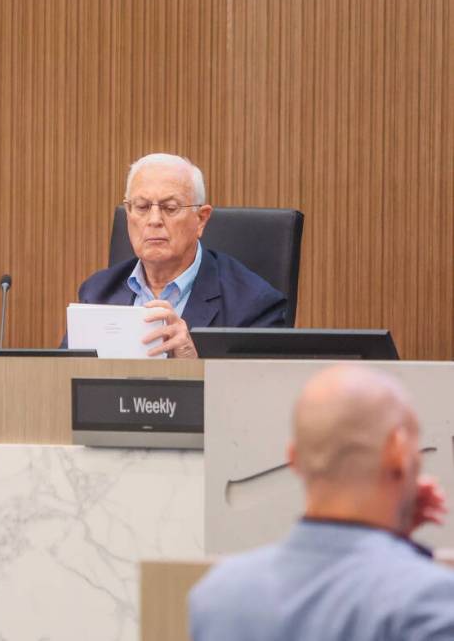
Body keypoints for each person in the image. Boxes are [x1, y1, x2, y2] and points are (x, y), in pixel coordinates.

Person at [189, 365, 454, 641]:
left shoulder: (218, 597)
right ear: (397, 452)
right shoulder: (428, 603)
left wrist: (394, 543)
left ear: (294, 459)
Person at [73, 153, 286, 357]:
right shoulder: (97, 292)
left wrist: (191, 364)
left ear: (201, 219)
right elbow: (64, 381)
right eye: (142, 207)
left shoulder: (253, 305)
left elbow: (258, 391)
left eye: (170, 208)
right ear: (128, 214)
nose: (154, 220)